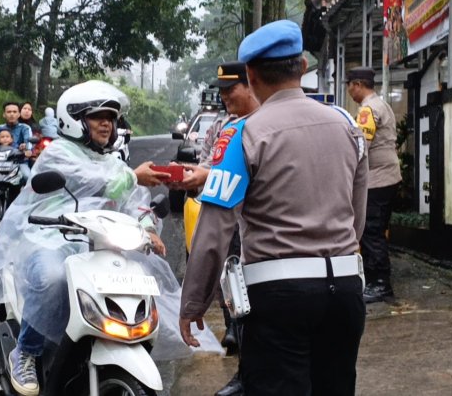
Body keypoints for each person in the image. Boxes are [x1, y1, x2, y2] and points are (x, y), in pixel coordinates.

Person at [0, 80, 193, 396]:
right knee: (53, 277)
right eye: (97, 116)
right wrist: (133, 175)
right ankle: (25, 352)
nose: (107, 123)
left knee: (135, 278)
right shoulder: (59, 154)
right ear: (74, 121)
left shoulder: (112, 161)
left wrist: (146, 225)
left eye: (111, 117)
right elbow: (93, 182)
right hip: (48, 235)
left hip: (97, 242)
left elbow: (135, 200)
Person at [179, 20, 369, 396]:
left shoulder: (241, 135)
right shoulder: (347, 126)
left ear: (250, 75)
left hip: (279, 298)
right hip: (346, 292)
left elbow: (215, 227)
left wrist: (193, 301)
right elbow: (356, 215)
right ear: (301, 66)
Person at [171, 61, 259, 396]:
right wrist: (196, 173)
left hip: (263, 251)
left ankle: (247, 369)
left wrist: (193, 302)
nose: (223, 96)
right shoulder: (333, 120)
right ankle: (238, 341)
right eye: (220, 90)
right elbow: (210, 161)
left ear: (253, 82)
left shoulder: (242, 131)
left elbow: (210, 236)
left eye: (229, 89)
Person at [345, 66, 402, 303]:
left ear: (357, 85)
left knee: (371, 231)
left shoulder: (368, 110)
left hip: (377, 181)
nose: (349, 91)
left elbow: (361, 147)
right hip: (389, 178)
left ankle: (380, 284)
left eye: (350, 85)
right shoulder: (382, 104)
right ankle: (375, 279)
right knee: (375, 231)